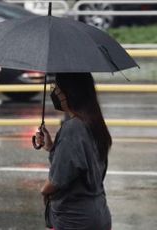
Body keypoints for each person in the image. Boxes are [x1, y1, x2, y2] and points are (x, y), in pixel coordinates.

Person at [35, 73, 112, 230]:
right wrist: (51, 147)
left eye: (57, 87)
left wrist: (44, 190)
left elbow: (57, 179)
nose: (55, 92)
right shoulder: (94, 122)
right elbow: (83, 162)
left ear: (69, 92)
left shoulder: (73, 128)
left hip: (74, 219)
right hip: (99, 214)